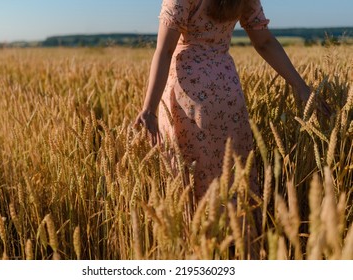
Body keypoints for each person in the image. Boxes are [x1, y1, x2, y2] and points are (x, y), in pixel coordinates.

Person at [134, 0, 329, 200]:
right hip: (226, 89)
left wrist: (149, 108)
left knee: (189, 179)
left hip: (188, 92)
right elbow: (265, 43)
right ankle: (237, 227)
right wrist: (302, 87)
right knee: (231, 171)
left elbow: (165, 50)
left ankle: (194, 227)